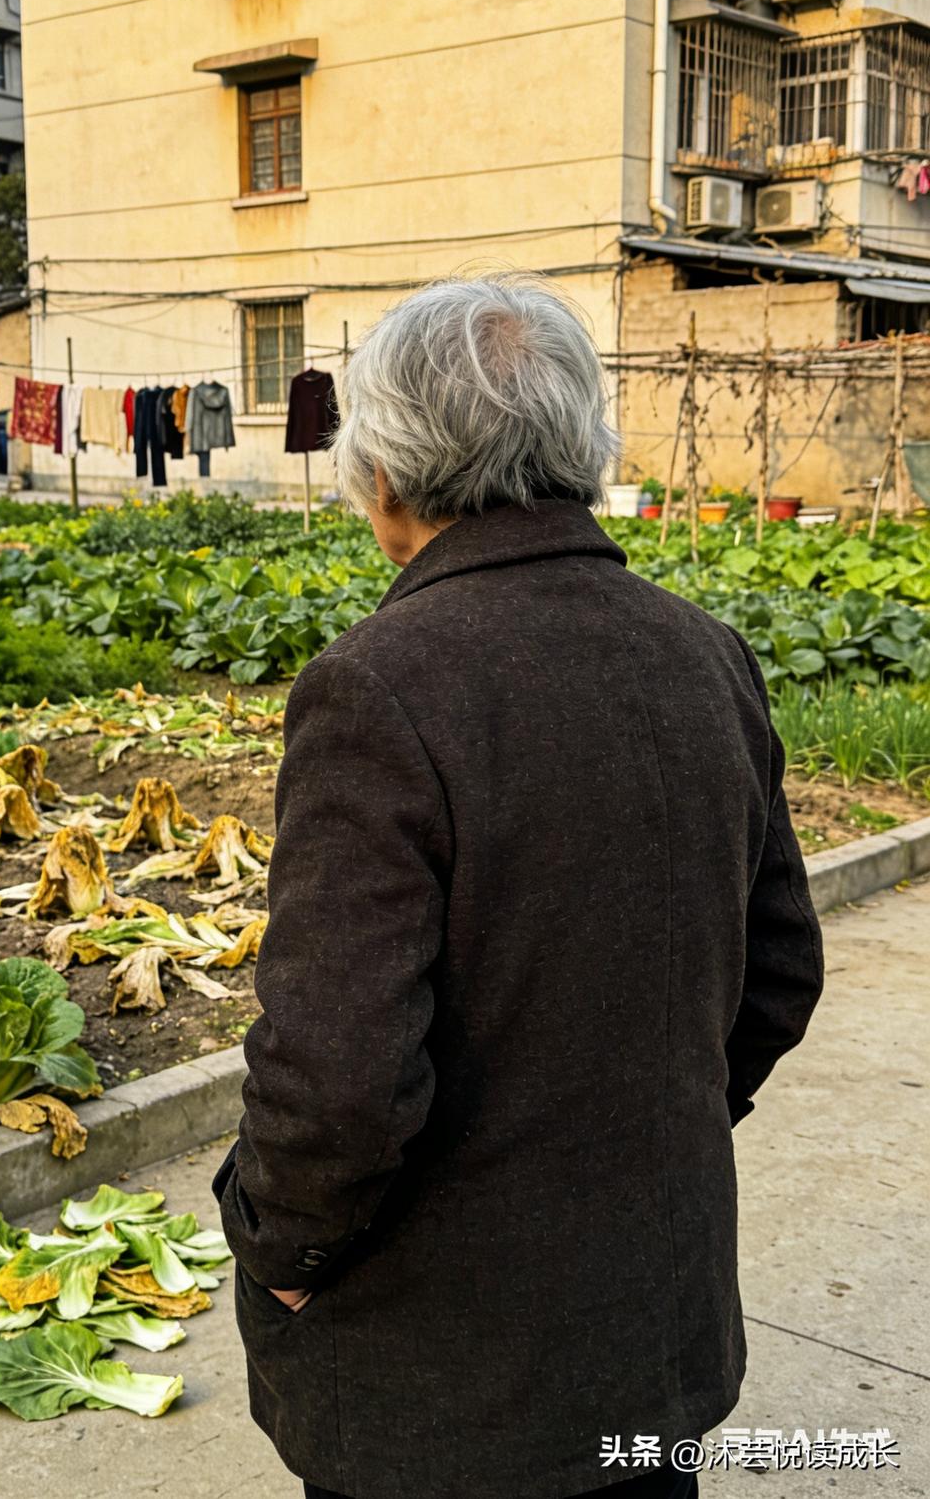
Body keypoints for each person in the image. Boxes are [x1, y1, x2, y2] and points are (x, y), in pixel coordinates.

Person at [213, 275, 824, 1499]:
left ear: (380, 473)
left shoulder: (376, 685)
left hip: (444, 1390)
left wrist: (283, 1247)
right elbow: (777, 977)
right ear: (574, 446)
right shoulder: (703, 651)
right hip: (650, 1336)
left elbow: (337, 1074)